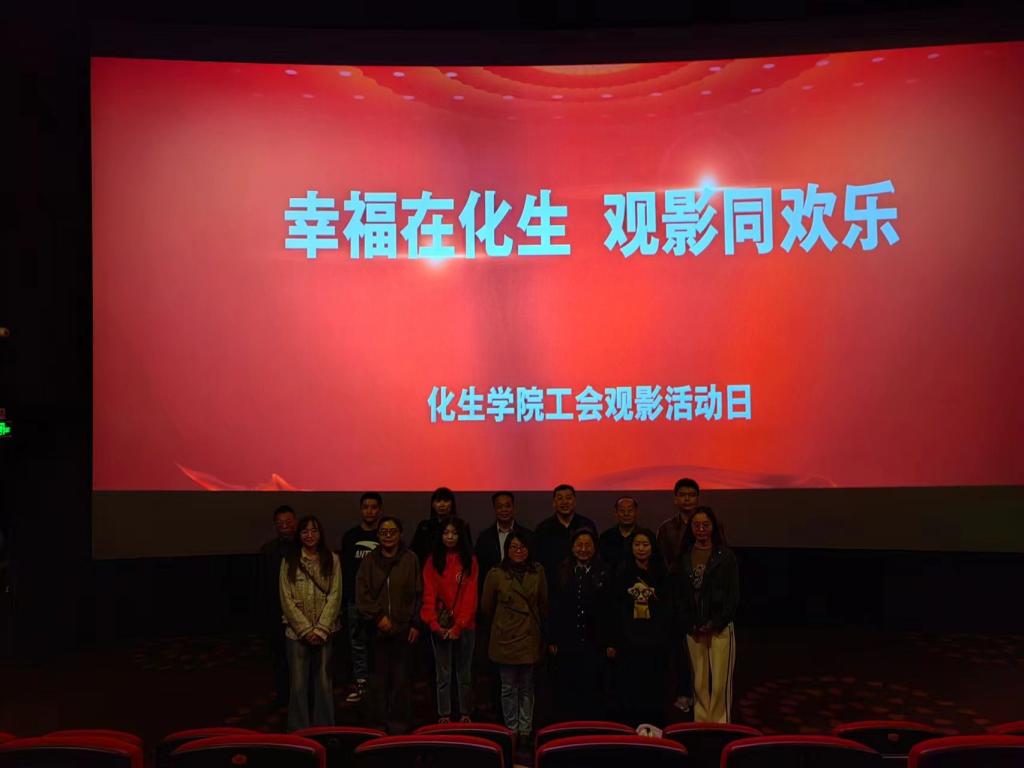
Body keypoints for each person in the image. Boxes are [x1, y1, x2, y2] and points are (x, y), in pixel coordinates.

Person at [480, 531, 548, 759]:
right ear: (506, 550)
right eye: (513, 547)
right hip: (505, 640)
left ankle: (525, 732)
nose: (518, 551)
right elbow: (486, 608)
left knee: (527, 687)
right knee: (508, 688)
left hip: (529, 639)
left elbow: (543, 604)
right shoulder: (496, 574)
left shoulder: (538, 572)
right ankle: (512, 732)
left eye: (522, 547)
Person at [355, 515, 422, 734]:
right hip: (377, 631)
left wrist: (415, 623)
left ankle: (399, 727)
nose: (388, 536)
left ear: (400, 534)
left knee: (401, 682)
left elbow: (419, 593)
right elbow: (362, 594)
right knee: (378, 682)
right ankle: (377, 727)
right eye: (383, 532)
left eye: (392, 532)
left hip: (404, 630)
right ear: (377, 535)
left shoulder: (411, 559)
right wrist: (378, 617)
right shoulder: (369, 561)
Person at [606, 528, 675, 727]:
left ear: (652, 547)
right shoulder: (621, 573)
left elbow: (668, 609)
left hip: (655, 644)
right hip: (628, 643)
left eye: (645, 544)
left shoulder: (662, 574)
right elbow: (614, 609)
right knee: (629, 689)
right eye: (637, 544)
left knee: (654, 689)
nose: (641, 549)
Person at [676, 507, 739, 724]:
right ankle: (701, 722)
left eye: (706, 525)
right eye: (697, 525)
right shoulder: (684, 557)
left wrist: (716, 622)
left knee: (720, 681)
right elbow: (680, 595)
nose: (701, 529)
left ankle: (721, 724)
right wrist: (690, 623)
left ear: (713, 527)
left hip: (720, 627)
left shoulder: (726, 556)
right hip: (693, 627)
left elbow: (733, 595)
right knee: (699, 680)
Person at [279, 515, 342, 730]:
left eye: (314, 530)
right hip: (296, 633)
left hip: (325, 631)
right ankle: (299, 730)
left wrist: (321, 629)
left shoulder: (332, 559)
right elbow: (286, 598)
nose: (309, 535)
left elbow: (335, 595)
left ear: (320, 534)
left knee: (324, 682)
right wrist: (305, 630)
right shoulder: (289, 560)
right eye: (305, 531)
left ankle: (325, 728)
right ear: (299, 535)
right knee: (297, 684)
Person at [548, 528, 610, 721]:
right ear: (572, 547)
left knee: (593, 688)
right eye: (579, 545)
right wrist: (552, 638)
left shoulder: (605, 571)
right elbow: (553, 607)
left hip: (595, 642)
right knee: (568, 688)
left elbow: (611, 609)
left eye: (588, 545)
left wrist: (610, 642)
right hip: (568, 642)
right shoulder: (561, 571)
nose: (583, 549)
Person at [421, 517, 479, 723]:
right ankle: (444, 714)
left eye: (454, 533)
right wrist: (434, 624)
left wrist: (459, 626)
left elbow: (471, 595)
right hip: (440, 625)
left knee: (464, 673)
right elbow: (428, 594)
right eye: (446, 533)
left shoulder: (470, 560)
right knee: (442, 675)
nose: (450, 537)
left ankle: (465, 713)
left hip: (465, 625)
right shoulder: (432, 561)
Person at [656, 478, 700, 711]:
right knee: (677, 648)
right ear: (675, 499)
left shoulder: (706, 524)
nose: (687, 499)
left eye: (691, 495)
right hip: (674, 594)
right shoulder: (666, 528)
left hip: (700, 595)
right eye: (683, 495)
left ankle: (701, 693)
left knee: (700, 647)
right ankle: (682, 692)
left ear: (697, 498)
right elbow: (661, 562)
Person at [339, 492, 382, 704]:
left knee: (379, 645)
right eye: (366, 507)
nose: (369, 511)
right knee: (357, 646)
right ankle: (361, 684)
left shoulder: (385, 535)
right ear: (360, 509)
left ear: (379, 510)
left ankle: (379, 686)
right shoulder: (350, 536)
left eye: (373, 507)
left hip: (380, 602)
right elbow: (346, 571)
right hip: (355, 601)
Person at [258, 504, 298, 708]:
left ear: (295, 523)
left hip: (302, 614)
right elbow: (262, 585)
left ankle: (302, 697)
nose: (284, 526)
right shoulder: (268, 551)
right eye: (280, 523)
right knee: (280, 657)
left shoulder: (305, 547)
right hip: (276, 613)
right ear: (275, 525)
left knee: (301, 659)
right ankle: (284, 697)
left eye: (288, 522)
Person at [534, 484, 596, 591]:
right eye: (560, 498)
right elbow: (538, 560)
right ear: (554, 503)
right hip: (552, 585)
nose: (564, 502)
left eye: (568, 498)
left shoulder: (587, 525)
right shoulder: (543, 528)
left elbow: (595, 555)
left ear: (574, 501)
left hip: (585, 584)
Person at [474, 492, 531, 594]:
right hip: (494, 591)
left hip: (522, 591)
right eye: (499, 507)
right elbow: (480, 571)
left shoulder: (527, 535)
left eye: (508, 506)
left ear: (514, 508)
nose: (504, 510)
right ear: (494, 509)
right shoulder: (484, 538)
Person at [411, 486, 471, 563]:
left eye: (446, 501)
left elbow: (468, 550)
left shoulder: (462, 525)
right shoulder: (424, 526)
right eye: (438, 501)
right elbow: (415, 551)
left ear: (452, 503)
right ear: (433, 504)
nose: (442, 505)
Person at [598, 496, 639, 571]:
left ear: (636, 512)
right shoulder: (606, 537)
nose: (626, 514)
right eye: (622, 511)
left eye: (630, 510)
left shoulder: (645, 536)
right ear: (616, 513)